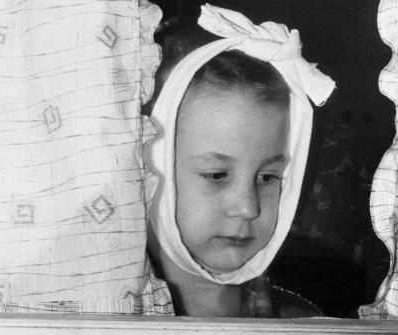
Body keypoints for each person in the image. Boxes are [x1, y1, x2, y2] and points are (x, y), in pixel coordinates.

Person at [138, 5, 335, 317]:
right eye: (217, 175)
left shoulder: (302, 324)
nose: (248, 208)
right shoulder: (102, 322)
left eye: (268, 177)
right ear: (146, 164)